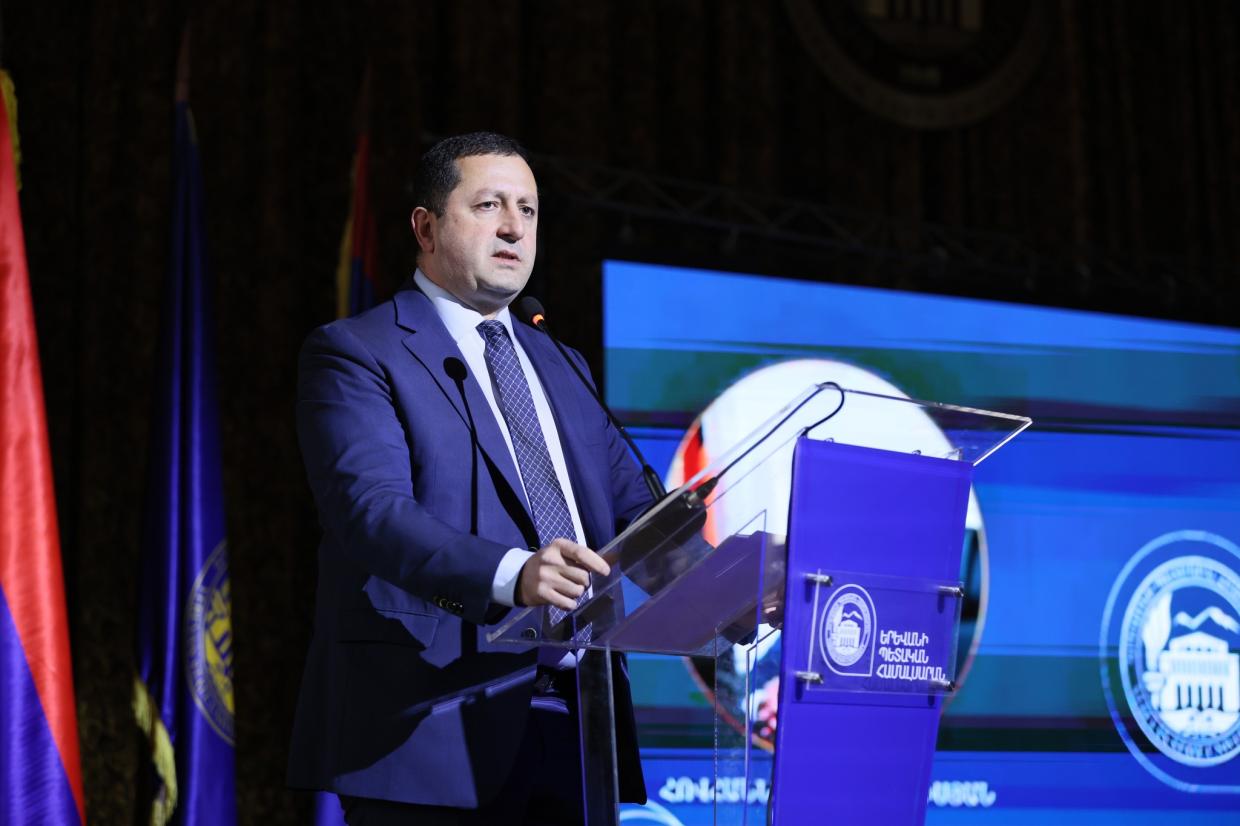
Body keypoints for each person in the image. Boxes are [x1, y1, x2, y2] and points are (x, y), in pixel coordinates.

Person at [287, 132, 651, 825]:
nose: (514, 227)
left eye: (528, 210)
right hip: (430, 729)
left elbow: (640, 510)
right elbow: (371, 513)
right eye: (489, 205)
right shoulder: (358, 352)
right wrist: (515, 574)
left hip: (578, 726)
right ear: (425, 228)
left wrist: (732, 581)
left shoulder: (562, 362)